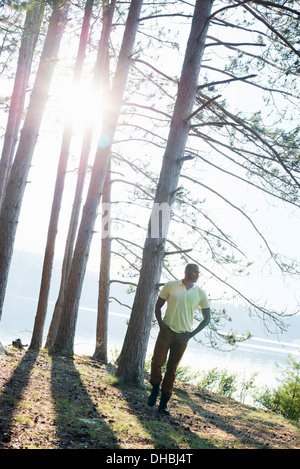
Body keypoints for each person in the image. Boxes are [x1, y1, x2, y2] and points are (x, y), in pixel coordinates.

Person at [148, 263, 210, 416]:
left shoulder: (200, 293)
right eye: (195, 271)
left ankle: (163, 404)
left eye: (198, 272)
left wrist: (191, 334)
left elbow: (207, 318)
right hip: (166, 331)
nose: (197, 274)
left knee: (172, 369)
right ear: (187, 271)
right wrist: (161, 325)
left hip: (183, 336)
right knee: (157, 362)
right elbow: (158, 306)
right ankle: (155, 388)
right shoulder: (171, 285)